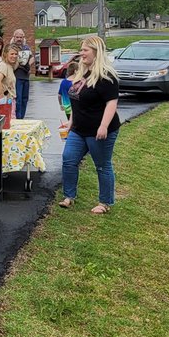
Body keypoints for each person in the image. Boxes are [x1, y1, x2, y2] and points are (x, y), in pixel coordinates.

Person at [58, 35, 120, 215]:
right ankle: (69, 197)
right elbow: (77, 101)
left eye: (85, 50)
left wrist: (104, 126)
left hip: (99, 130)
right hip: (79, 129)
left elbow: (111, 103)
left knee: (102, 165)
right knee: (69, 159)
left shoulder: (106, 77)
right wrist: (71, 122)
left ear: (96, 52)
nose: (81, 53)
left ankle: (105, 202)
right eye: (81, 50)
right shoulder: (83, 74)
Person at [10, 29, 34, 118]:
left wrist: (28, 64)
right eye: (17, 37)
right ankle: (18, 117)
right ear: (14, 37)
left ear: (23, 38)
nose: (19, 39)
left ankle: (22, 117)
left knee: (25, 99)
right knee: (18, 99)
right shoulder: (11, 47)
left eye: (21, 37)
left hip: (26, 76)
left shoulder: (26, 47)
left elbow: (32, 58)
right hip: (17, 76)